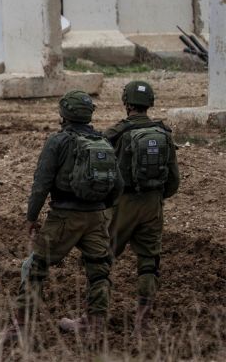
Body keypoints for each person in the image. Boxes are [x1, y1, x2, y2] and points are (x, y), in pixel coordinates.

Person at [7, 90, 123, 342]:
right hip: (96, 217)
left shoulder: (57, 142)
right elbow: (117, 185)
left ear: (64, 114)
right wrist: (103, 210)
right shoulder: (102, 142)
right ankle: (94, 325)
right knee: (99, 270)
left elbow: (41, 184)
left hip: (64, 217)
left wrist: (31, 217)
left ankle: (20, 328)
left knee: (35, 267)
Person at [98, 80, 179, 332]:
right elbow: (174, 181)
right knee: (148, 262)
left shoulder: (116, 133)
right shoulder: (163, 133)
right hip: (153, 204)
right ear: (150, 103)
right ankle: (142, 323)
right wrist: (156, 197)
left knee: (102, 259)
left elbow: (102, 173)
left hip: (122, 204)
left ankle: (94, 319)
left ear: (126, 103)